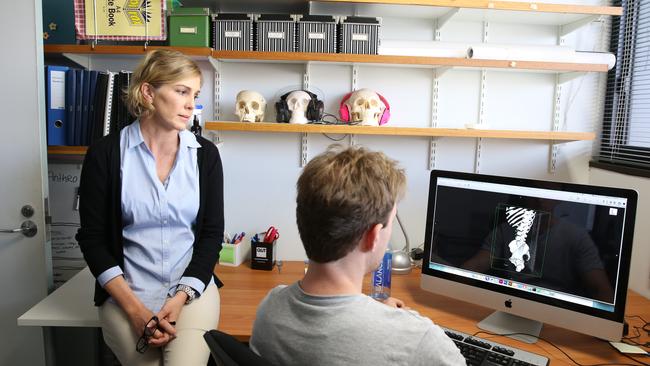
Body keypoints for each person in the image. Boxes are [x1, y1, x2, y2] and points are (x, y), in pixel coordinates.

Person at [250, 145, 464, 366]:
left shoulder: (270, 308)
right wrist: (389, 321)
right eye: (391, 223)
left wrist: (375, 313)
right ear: (372, 236)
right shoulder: (418, 339)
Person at [76, 49, 224, 366]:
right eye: (181, 91)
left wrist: (181, 296)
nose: (191, 104)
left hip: (190, 291)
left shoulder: (205, 156)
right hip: (125, 292)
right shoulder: (105, 154)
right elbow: (92, 238)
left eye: (195, 94)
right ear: (148, 92)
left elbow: (212, 234)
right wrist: (135, 310)